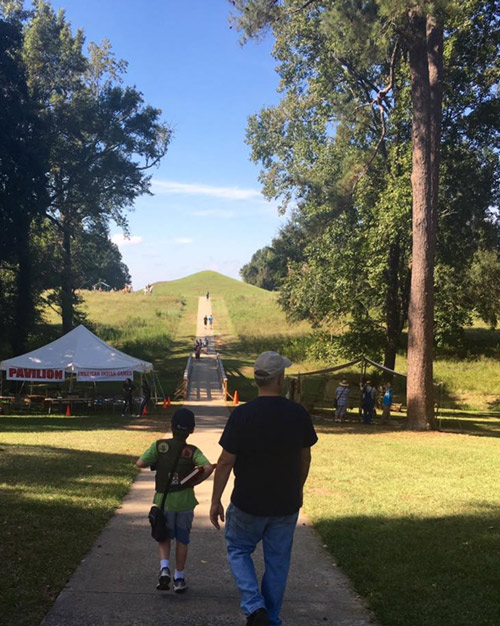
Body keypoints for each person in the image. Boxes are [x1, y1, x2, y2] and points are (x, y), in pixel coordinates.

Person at [210, 351, 318, 626]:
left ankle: (254, 606)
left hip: (248, 501)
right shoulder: (298, 414)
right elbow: (305, 457)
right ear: (280, 379)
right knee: (278, 562)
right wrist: (299, 487)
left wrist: (215, 500)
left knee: (237, 549)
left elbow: (224, 462)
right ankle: (270, 617)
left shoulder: (243, 415)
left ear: (257, 380)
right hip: (285, 503)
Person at [136, 408, 213, 593]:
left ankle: (164, 569)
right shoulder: (191, 451)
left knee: (164, 536)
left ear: (170, 426)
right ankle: (179, 577)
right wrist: (195, 480)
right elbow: (208, 467)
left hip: (164, 502)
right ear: (192, 430)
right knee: (182, 540)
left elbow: (140, 463)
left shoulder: (160, 446)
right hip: (186, 503)